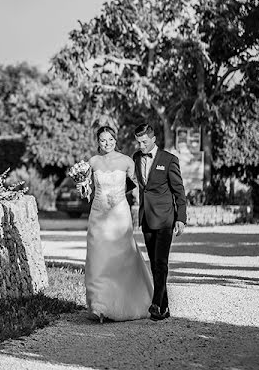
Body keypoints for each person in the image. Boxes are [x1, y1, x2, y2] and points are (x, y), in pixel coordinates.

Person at [79, 125, 153, 322]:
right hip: (98, 213)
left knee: (121, 257)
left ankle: (124, 301)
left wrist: (128, 199)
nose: (107, 143)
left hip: (120, 214)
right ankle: (99, 304)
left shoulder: (127, 161)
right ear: (98, 142)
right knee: (98, 256)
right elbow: (87, 192)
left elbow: (136, 186)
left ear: (115, 140)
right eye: (103, 140)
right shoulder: (92, 162)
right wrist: (81, 186)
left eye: (110, 140)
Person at [133, 123, 187, 321]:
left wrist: (181, 218)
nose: (141, 146)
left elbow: (179, 191)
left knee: (160, 261)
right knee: (154, 263)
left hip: (165, 218)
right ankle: (164, 308)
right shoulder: (136, 158)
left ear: (153, 139)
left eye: (144, 142)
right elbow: (132, 183)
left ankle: (156, 304)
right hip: (146, 217)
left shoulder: (169, 160)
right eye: (138, 143)